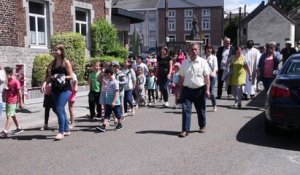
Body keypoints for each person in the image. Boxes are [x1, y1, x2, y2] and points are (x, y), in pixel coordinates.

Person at [178, 42, 211, 138]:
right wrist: (180, 91)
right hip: (187, 90)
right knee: (186, 110)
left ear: (199, 50)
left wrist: (207, 90)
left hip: (199, 90)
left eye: (196, 49)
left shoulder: (203, 62)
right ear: (189, 51)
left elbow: (207, 77)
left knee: (201, 110)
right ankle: (185, 130)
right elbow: (182, 78)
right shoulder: (184, 63)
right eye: (192, 49)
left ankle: (202, 126)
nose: (194, 51)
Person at [42, 44, 74, 140]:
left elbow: (71, 76)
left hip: (65, 89)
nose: (55, 51)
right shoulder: (53, 62)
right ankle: (67, 129)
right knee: (59, 109)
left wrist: (61, 76)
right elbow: (49, 76)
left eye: (57, 50)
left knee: (59, 108)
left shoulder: (66, 62)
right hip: (55, 89)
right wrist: (44, 83)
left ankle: (61, 132)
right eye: (54, 50)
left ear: (61, 51)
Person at [96, 67, 123, 132]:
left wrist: (114, 101)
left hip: (115, 102)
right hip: (108, 101)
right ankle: (104, 126)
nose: (105, 76)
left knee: (117, 114)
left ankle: (120, 124)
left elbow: (117, 92)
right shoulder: (108, 82)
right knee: (107, 114)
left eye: (106, 74)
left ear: (109, 74)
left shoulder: (115, 82)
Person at [0, 67, 24, 138]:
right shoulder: (8, 81)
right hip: (8, 101)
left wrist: (21, 102)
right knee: (12, 115)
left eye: (5, 75)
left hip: (12, 102)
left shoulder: (15, 81)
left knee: (9, 116)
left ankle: (5, 131)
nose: (4, 76)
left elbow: (19, 92)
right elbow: (6, 89)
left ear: (10, 74)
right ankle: (19, 128)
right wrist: (3, 96)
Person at [204, 44, 218, 112]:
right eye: (208, 48)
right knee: (203, 92)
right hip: (205, 77)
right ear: (205, 49)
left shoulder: (214, 57)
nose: (209, 50)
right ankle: (203, 106)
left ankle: (214, 105)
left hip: (212, 77)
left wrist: (213, 72)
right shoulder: (203, 58)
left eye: (210, 49)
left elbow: (216, 67)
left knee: (211, 92)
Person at [40, 64, 53, 131]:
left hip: (54, 96)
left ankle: (65, 122)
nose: (49, 70)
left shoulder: (54, 78)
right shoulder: (47, 78)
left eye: (50, 68)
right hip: (47, 95)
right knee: (47, 110)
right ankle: (46, 124)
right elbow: (45, 85)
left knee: (57, 110)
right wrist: (42, 88)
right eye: (48, 68)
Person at [68, 63, 78, 129]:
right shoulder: (69, 75)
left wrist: (74, 90)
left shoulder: (73, 75)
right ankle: (70, 121)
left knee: (71, 108)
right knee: (69, 108)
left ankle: (72, 123)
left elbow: (75, 82)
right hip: (68, 92)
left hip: (72, 92)